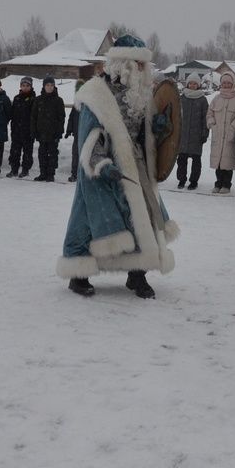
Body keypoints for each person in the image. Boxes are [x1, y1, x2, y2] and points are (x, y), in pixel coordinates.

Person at [57, 35, 179, 299]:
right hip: (103, 168)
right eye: (140, 65)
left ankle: (137, 274)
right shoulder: (96, 94)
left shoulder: (139, 94)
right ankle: (79, 274)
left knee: (141, 218)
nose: (144, 70)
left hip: (135, 167)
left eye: (144, 65)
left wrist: (156, 128)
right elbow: (89, 136)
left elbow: (143, 133)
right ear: (125, 65)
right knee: (91, 221)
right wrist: (102, 164)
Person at [207, 71, 235, 193]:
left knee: (228, 161)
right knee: (218, 161)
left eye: (229, 83)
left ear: (233, 83)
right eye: (224, 83)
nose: (226, 85)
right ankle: (218, 183)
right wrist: (212, 124)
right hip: (218, 134)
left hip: (230, 134)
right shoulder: (216, 99)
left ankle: (226, 185)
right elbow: (210, 113)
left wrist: (233, 127)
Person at [31, 75, 66, 182]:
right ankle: (43, 173)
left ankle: (50, 174)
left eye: (51, 85)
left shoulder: (58, 100)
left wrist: (59, 132)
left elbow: (61, 118)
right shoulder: (38, 100)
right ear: (44, 86)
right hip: (41, 132)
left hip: (53, 133)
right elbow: (34, 117)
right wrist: (34, 131)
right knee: (42, 153)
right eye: (47, 85)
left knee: (52, 154)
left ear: (54, 86)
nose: (49, 87)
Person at [176, 73, 208, 189]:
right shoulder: (182, 98)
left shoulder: (202, 100)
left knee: (196, 160)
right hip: (183, 135)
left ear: (198, 85)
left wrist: (204, 133)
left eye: (195, 83)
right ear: (187, 84)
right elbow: (176, 116)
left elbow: (205, 118)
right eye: (191, 83)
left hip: (196, 135)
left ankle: (194, 181)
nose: (192, 85)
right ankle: (181, 180)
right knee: (181, 160)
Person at [8, 77, 36, 178]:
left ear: (31, 86)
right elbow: (12, 114)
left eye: (27, 86)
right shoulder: (17, 98)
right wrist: (13, 127)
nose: (25, 87)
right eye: (23, 85)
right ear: (20, 86)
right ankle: (14, 169)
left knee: (27, 152)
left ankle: (25, 170)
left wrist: (33, 129)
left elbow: (35, 116)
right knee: (15, 151)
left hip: (28, 131)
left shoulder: (34, 99)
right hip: (16, 130)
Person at [66, 79, 84, 181]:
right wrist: (69, 130)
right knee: (75, 154)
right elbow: (71, 118)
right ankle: (74, 173)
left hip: (85, 134)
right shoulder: (76, 105)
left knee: (84, 155)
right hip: (77, 134)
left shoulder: (89, 104)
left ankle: (83, 175)